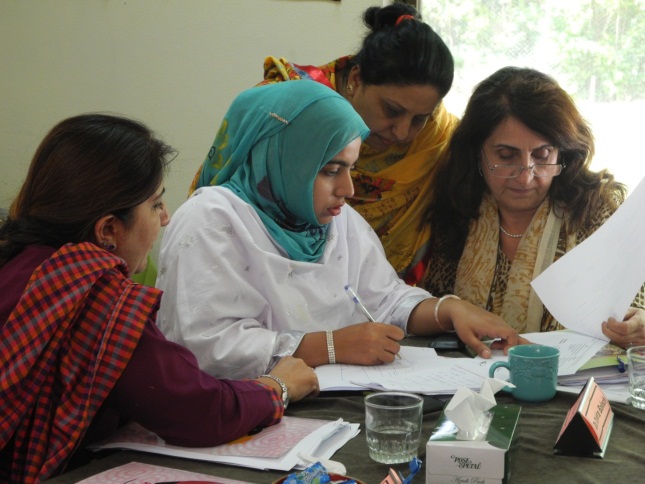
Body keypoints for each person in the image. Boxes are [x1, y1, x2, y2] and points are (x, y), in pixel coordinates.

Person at [0, 114, 319, 483]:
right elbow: (198, 411)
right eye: (155, 204)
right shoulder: (95, 296)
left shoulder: (19, 260)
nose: (166, 218)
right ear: (108, 230)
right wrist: (276, 388)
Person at [156, 80, 521, 382]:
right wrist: (329, 346)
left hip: (333, 403)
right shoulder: (211, 220)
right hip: (243, 415)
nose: (348, 189)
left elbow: (383, 299)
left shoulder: (332, 218)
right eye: (331, 170)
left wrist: (448, 310)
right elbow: (203, 347)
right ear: (282, 159)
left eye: (351, 168)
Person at [189, 3, 458, 285]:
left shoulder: (435, 138)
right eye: (392, 110)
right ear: (356, 78)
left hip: (375, 302)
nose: (403, 132)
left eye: (419, 119)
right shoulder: (285, 114)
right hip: (254, 285)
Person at [422, 66, 645, 348]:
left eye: (542, 155)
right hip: (471, 377)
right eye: (506, 156)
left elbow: (634, 306)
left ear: (563, 151)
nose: (526, 176)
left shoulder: (594, 209)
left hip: (571, 382)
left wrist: (637, 325)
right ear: (477, 153)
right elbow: (436, 308)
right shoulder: (460, 208)